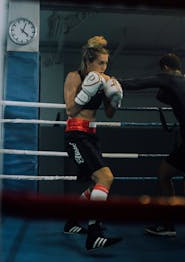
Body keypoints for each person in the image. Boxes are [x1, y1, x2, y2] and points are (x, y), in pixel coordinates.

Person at [120, 53, 185, 237]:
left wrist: (111, 82)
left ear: (165, 67)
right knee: (164, 174)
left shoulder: (168, 77)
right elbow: (170, 99)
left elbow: (139, 83)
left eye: (161, 70)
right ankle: (167, 223)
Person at [63, 35, 123, 251]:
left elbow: (109, 114)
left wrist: (115, 99)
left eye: (106, 63)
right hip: (76, 135)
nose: (104, 67)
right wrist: (86, 91)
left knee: (95, 184)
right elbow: (70, 110)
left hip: (92, 136)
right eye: (100, 63)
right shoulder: (74, 77)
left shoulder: (105, 79)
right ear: (88, 62)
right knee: (105, 177)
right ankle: (94, 233)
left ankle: (71, 222)